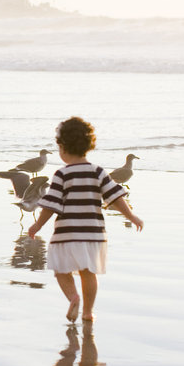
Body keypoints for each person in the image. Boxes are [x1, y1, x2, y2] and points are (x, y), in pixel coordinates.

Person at [26, 116, 143, 322]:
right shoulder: (98, 172)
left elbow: (50, 205)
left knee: (61, 270)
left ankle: (73, 297)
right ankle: (88, 312)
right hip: (93, 234)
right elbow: (115, 197)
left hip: (66, 233)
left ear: (62, 148)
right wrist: (131, 216)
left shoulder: (62, 174)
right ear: (89, 146)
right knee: (89, 274)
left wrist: (37, 224)